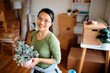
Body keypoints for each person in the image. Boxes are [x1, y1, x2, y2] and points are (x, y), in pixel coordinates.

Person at [27, 8, 62, 73]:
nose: (42, 22)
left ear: (51, 23)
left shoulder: (52, 39)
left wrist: (39, 60)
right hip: (36, 69)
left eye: (46, 20)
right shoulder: (33, 34)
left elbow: (57, 60)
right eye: (39, 18)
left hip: (47, 70)